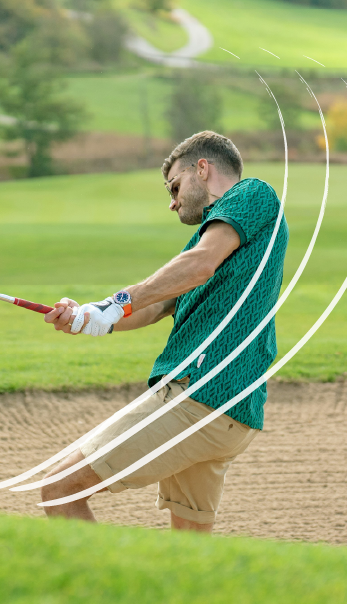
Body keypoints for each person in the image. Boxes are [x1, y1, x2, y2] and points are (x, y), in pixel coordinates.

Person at [42, 131, 288, 533]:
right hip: (227, 411)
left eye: (175, 186)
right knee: (188, 543)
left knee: (57, 489)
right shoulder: (213, 241)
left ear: (203, 169)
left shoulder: (252, 194)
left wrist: (114, 304)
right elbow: (154, 306)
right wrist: (86, 316)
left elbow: (199, 265)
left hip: (198, 397)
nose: (172, 201)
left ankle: (110, 596)